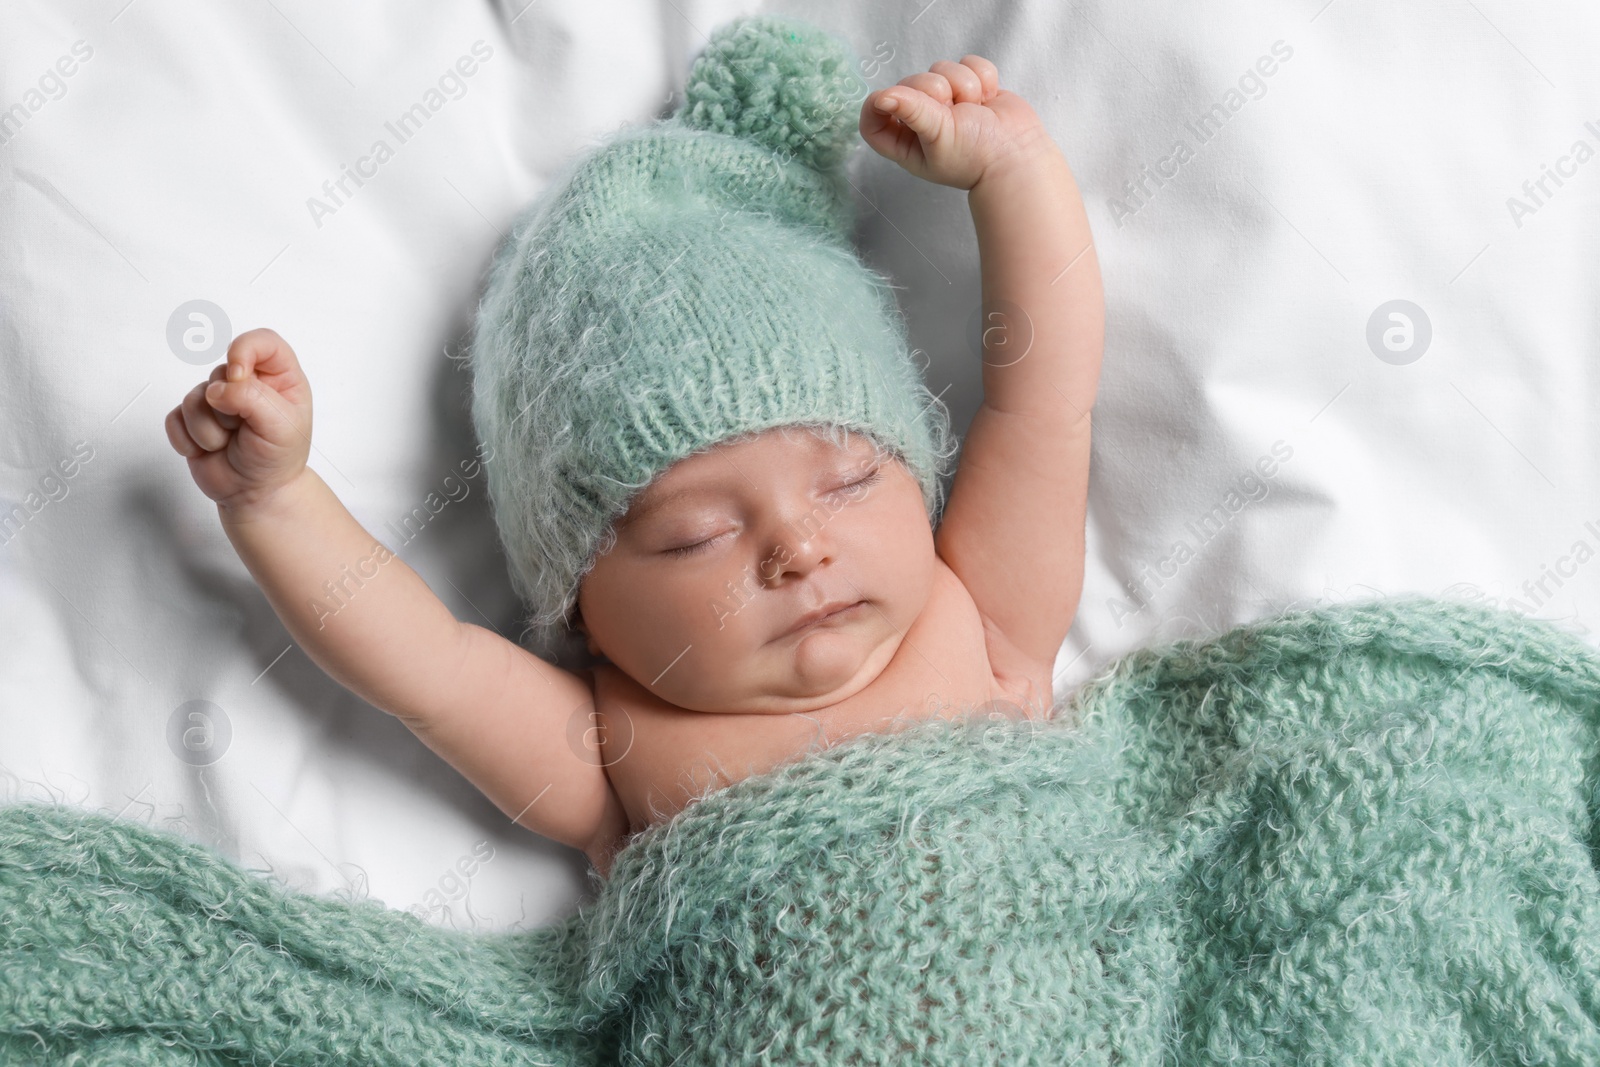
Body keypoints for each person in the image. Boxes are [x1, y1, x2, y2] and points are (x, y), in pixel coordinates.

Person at [163, 16, 1103, 880]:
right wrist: (274, 499)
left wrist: (1013, 169)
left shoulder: (982, 617)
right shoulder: (614, 751)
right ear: (584, 614)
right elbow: (430, 667)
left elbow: (1043, 400)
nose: (797, 550)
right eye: (695, 535)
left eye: (851, 480)